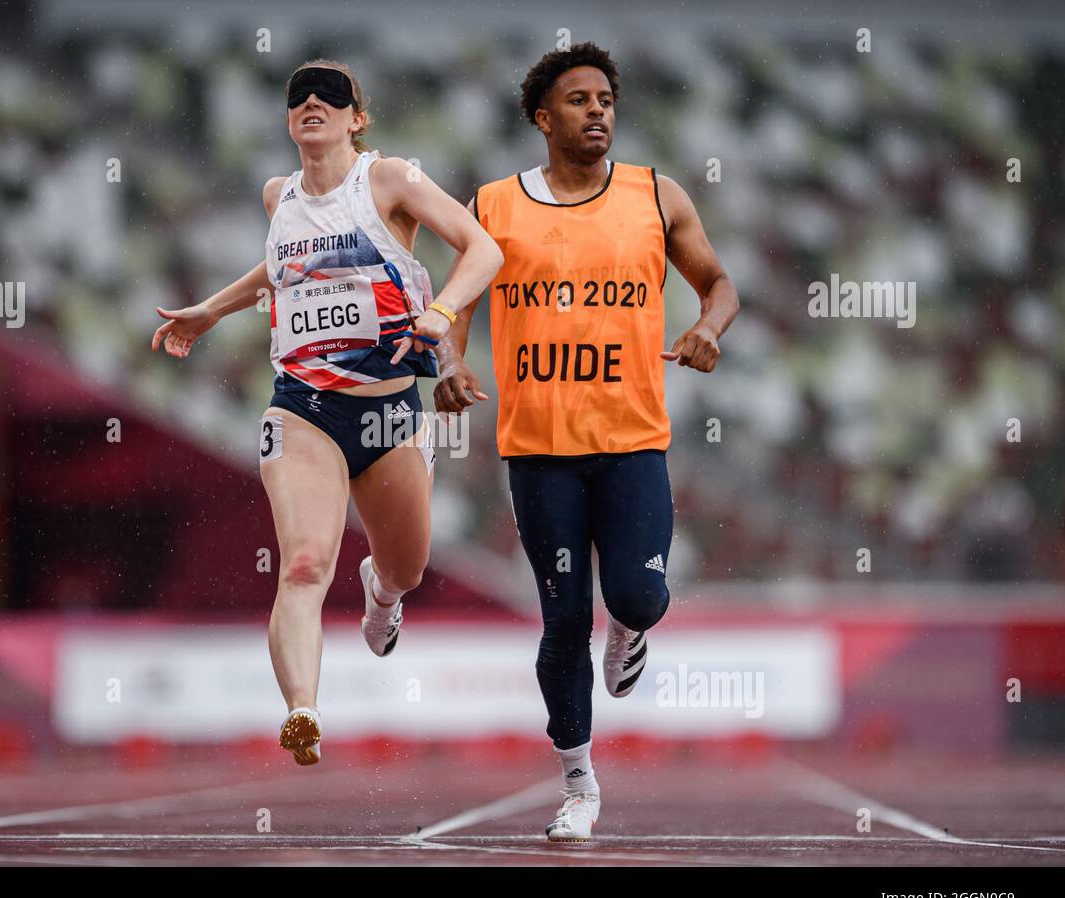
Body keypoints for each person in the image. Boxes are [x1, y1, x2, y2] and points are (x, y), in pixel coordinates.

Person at [152, 60, 503, 766]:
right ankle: (303, 709)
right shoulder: (277, 196)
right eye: (298, 98)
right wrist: (210, 311)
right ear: (288, 121)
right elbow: (278, 268)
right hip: (303, 409)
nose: (313, 102)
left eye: (331, 97)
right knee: (306, 563)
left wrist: (438, 313)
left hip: (389, 415)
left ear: (356, 118)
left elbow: (484, 248)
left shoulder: (391, 181)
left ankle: (382, 594)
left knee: (407, 566)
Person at [436, 43, 739, 840]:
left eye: (606, 98)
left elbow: (719, 282)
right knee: (563, 620)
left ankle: (632, 630)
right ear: (543, 118)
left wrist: (708, 326)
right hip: (538, 450)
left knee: (634, 597)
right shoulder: (494, 204)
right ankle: (578, 785)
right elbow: (458, 299)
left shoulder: (655, 195)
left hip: (633, 440)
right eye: (578, 100)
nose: (598, 110)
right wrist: (448, 359)